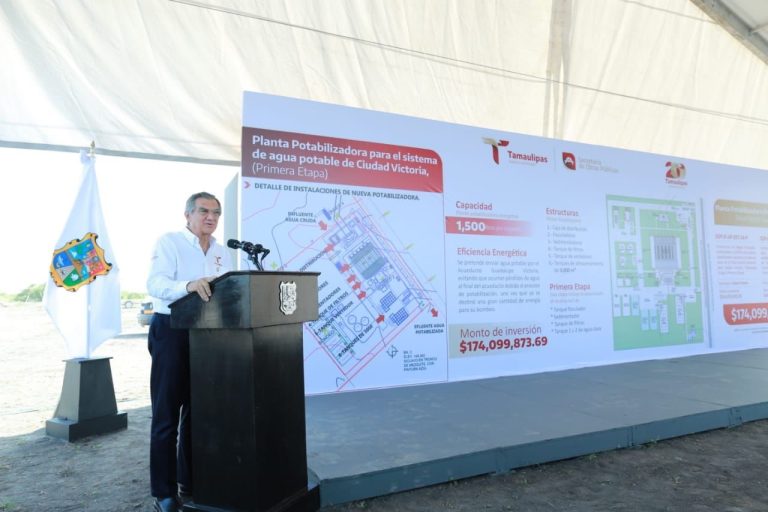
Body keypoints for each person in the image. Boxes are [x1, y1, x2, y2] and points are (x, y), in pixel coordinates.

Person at [146, 192, 232, 512]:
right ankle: (164, 493)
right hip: (171, 330)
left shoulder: (222, 251)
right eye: (204, 211)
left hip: (208, 336)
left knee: (199, 414)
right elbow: (155, 284)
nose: (211, 217)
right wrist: (188, 285)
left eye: (216, 213)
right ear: (188, 215)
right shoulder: (170, 242)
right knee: (167, 415)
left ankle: (192, 482)